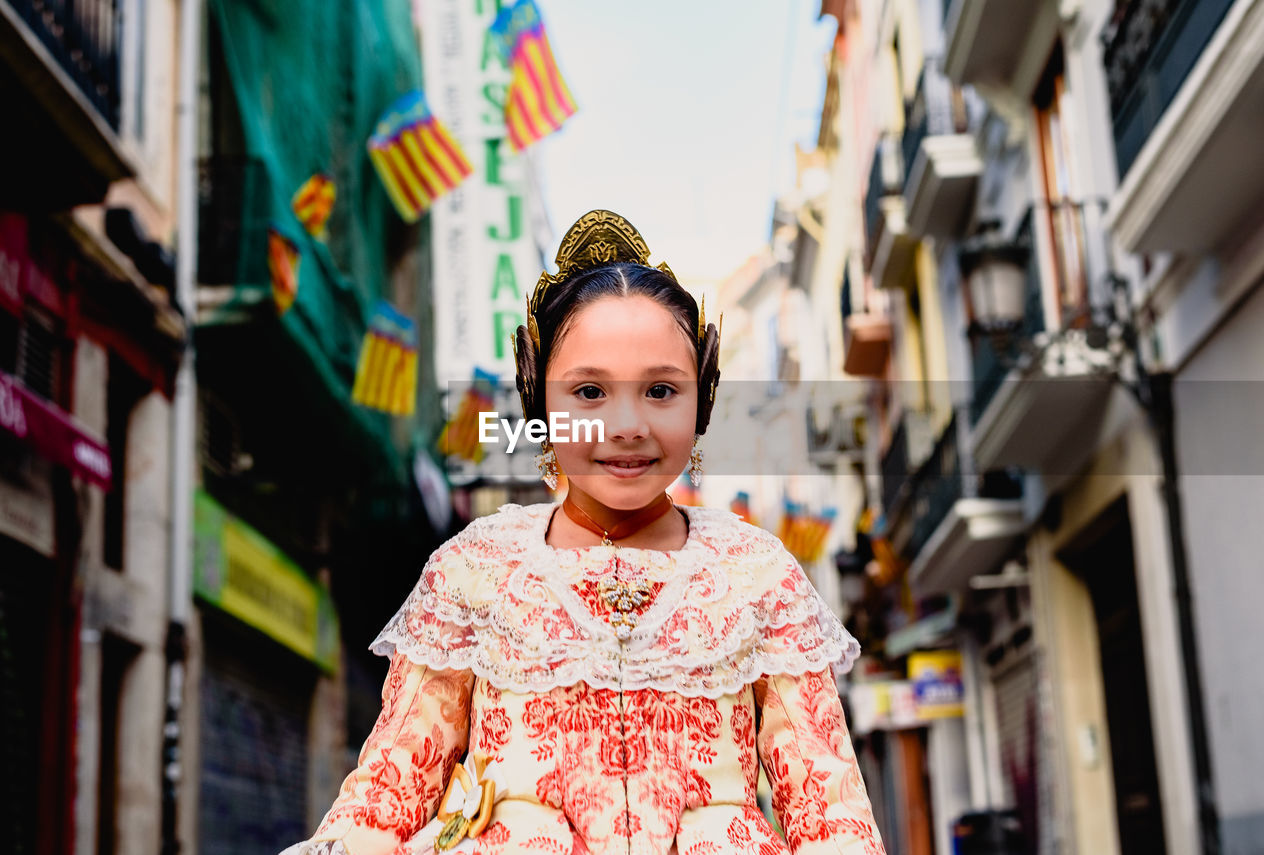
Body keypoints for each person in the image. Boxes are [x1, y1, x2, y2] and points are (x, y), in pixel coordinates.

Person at [279, 210, 885, 854]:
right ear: (538, 397)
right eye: (590, 391)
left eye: (660, 390)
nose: (626, 425)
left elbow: (833, 819)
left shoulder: (758, 573)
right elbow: (384, 797)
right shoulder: (474, 569)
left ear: (702, 399)